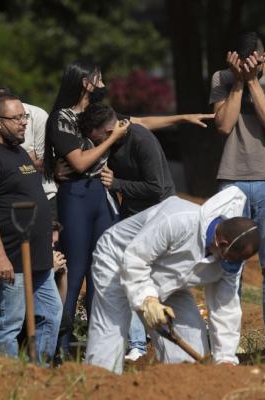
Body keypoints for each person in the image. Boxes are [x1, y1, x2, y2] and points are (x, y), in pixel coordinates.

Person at [44, 60, 215, 357]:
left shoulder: (98, 115)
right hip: (77, 196)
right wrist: (112, 138)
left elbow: (139, 122)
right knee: (76, 271)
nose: (103, 85)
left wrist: (183, 118)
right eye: (98, 79)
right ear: (85, 82)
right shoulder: (62, 117)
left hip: (99, 194)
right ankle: (61, 346)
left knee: (104, 271)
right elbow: (81, 163)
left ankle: (104, 347)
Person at [84, 186, 259, 374]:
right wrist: (148, 299)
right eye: (230, 259)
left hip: (168, 278)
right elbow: (135, 259)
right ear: (221, 243)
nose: (231, 265)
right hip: (119, 259)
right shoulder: (178, 220)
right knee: (110, 333)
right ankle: (98, 384)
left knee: (191, 334)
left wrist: (225, 358)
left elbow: (226, 307)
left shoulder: (231, 261)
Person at [209, 31, 265, 357]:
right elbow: (223, 124)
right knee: (229, 261)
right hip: (230, 178)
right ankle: (225, 345)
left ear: (264, 56)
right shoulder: (222, 77)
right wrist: (237, 82)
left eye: (254, 64)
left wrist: (253, 83)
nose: (248, 69)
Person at [0, 91, 62, 360]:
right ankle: (7, 380)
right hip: (12, 257)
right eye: (17, 118)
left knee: (52, 313)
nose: (24, 123)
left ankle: (37, 375)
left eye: (25, 116)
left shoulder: (17, 150)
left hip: (37, 256)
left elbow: (27, 193)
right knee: (10, 323)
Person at [80, 103, 176, 361]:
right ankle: (137, 344)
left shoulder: (141, 140)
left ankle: (166, 349)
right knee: (125, 276)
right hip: (132, 215)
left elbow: (156, 187)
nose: (94, 141)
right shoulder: (115, 137)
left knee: (156, 281)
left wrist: (117, 183)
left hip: (157, 218)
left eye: (96, 136)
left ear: (110, 129)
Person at [21, 103, 58, 221]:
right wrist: (30, 156)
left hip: (45, 196)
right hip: (11, 201)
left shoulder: (38, 115)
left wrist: (14, 159)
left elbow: (45, 164)